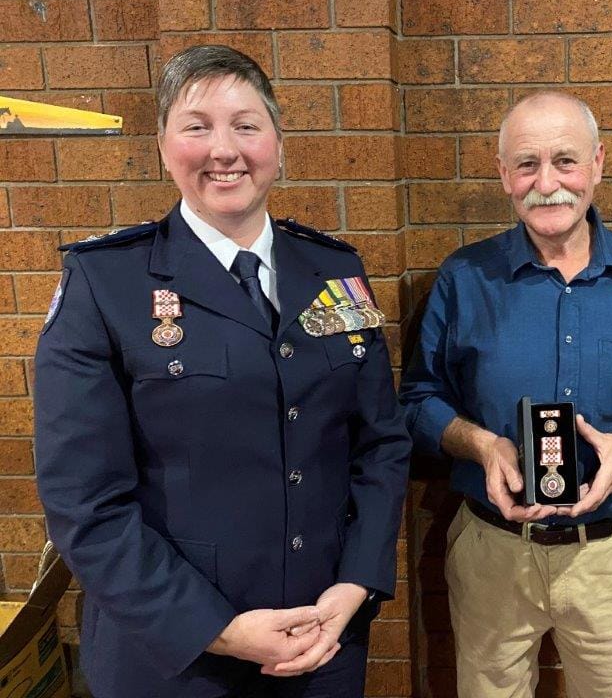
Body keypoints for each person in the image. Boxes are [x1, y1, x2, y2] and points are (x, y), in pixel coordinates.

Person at [33, 45, 411, 698]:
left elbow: (379, 443)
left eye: (245, 124)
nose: (223, 149)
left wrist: (355, 586)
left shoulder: (334, 274)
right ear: (163, 144)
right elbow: (85, 504)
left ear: (277, 140)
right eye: (197, 126)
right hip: (172, 658)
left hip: (320, 640)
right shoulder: (106, 284)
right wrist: (222, 630)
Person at [400, 91, 612, 698]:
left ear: (597, 163)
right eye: (527, 164)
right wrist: (481, 445)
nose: (548, 183)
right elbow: (417, 399)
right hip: (494, 551)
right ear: (502, 175)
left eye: (565, 161)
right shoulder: (465, 277)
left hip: (609, 558)